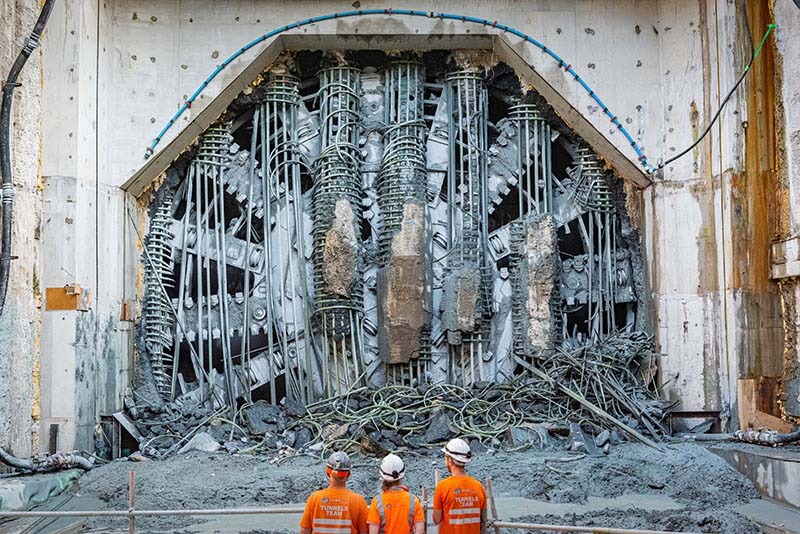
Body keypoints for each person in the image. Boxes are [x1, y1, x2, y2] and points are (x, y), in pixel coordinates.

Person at [300, 451, 369, 534]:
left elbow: (304, 531)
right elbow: (365, 531)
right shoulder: (358, 500)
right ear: (348, 474)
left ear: (327, 472)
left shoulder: (315, 498)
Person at [432, 438, 487, 534]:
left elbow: (436, 519)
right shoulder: (479, 487)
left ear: (449, 460)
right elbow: (484, 518)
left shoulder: (443, 486)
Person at [367, 454, 424, 534]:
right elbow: (420, 531)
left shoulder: (377, 501)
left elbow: (373, 531)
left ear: (382, 476)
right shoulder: (413, 500)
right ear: (402, 475)